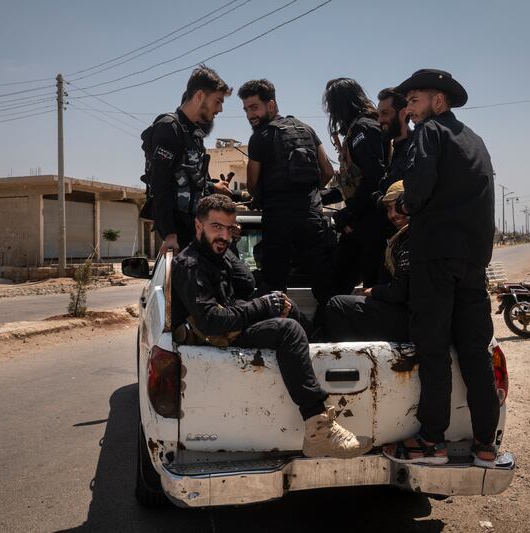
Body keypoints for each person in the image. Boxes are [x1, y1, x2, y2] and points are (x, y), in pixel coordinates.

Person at [171, 194, 372, 459]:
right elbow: (210, 321)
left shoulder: (217, 255)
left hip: (232, 323)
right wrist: (264, 306)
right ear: (198, 226)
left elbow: (245, 283)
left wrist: (230, 245)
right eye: (215, 227)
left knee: (288, 306)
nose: (222, 235)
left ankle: (314, 364)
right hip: (217, 336)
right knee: (286, 328)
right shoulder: (191, 264)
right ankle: (318, 429)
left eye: (228, 229)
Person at [382, 69, 500, 468]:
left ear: (438, 101)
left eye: (414, 101)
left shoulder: (428, 133)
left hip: (435, 254)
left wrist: (404, 204)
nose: (409, 111)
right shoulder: (475, 140)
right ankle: (486, 444)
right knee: (474, 350)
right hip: (473, 259)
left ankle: (432, 443)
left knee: (432, 346)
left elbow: (419, 183)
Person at [238, 79, 336, 323]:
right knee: (325, 287)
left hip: (278, 221)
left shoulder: (260, 137)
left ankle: (278, 334)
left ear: (271, 104)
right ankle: (331, 329)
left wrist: (261, 197)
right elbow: (328, 172)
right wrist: (311, 195)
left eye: (254, 107)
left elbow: (252, 183)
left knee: (274, 287)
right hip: (312, 219)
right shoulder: (307, 129)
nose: (251, 114)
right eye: (247, 109)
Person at [141, 65, 233, 253]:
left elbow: (193, 180)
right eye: (217, 101)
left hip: (198, 227)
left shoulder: (195, 134)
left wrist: (214, 187)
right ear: (200, 96)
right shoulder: (169, 128)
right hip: (179, 233)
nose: (220, 109)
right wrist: (169, 234)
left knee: (239, 276)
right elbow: (160, 185)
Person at [323, 78, 387, 294]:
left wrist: (349, 213)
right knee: (337, 284)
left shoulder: (363, 128)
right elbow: (351, 184)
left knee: (369, 289)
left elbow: (375, 178)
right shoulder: (359, 128)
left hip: (371, 223)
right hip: (361, 221)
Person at [325, 180, 411, 342]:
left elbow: (400, 292)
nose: (393, 214)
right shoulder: (399, 238)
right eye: (389, 208)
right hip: (410, 316)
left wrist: (373, 291)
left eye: (399, 206)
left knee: (337, 305)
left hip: (412, 320)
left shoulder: (410, 239)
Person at [375, 87, 411, 196]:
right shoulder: (395, 149)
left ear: (403, 113)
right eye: (379, 115)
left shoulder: (416, 149)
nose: (379, 120)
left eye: (385, 113)